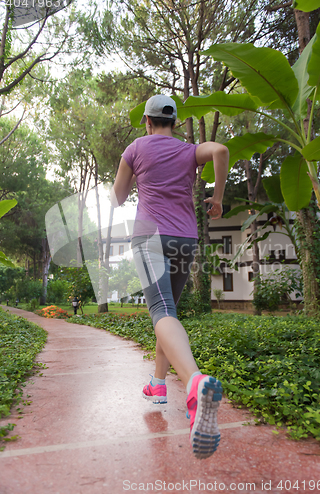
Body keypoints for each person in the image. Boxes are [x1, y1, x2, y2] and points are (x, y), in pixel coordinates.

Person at [111, 95, 229, 459]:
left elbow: (117, 197)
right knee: (169, 313)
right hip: (184, 238)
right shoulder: (190, 150)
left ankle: (194, 383)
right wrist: (217, 198)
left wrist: (130, 184)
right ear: (174, 122)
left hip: (150, 236)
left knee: (161, 312)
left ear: (147, 121)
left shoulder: (135, 147)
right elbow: (222, 150)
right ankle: (158, 385)